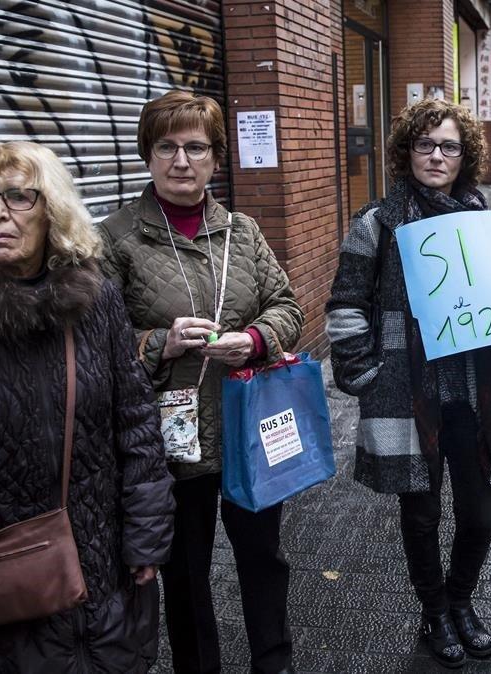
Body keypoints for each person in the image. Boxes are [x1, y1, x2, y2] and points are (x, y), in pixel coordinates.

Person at [0, 141, 174, 671]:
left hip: (105, 579)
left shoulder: (96, 301)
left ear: (52, 213)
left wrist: (146, 537)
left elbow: (135, 422)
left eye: (19, 196)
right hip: (0, 599)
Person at [98, 90, 304, 674]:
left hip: (248, 426)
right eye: (166, 146)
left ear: (216, 157)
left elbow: (287, 305)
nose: (181, 160)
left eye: (195, 147)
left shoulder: (242, 232)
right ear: (148, 154)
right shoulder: (115, 240)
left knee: (263, 557)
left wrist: (258, 339)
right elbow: (98, 346)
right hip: (169, 437)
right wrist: (161, 342)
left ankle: (274, 659)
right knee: (185, 571)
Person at [326, 98, 491, 669]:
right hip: (408, 393)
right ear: (406, 152)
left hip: (474, 389)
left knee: (481, 513)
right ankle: (434, 610)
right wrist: (367, 375)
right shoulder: (378, 222)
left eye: (449, 146)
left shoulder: (482, 221)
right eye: (425, 145)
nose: (436, 156)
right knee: (419, 515)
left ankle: (461, 600)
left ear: (465, 157)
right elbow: (345, 304)